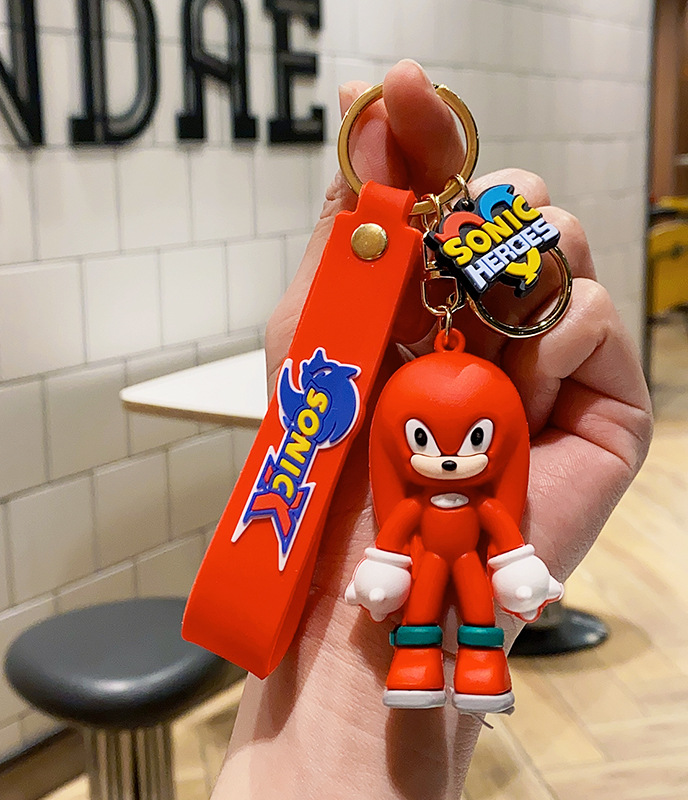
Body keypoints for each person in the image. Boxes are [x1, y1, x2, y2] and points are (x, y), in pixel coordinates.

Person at [211, 59, 653, 800]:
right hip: (421, 553)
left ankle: (477, 668)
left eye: (472, 442)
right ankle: (419, 666)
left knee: (475, 609)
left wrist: (515, 556)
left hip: (467, 557)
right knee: (427, 613)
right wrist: (381, 562)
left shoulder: (490, 485)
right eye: (425, 442)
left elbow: (499, 519)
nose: (448, 458)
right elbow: (396, 517)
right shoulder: (400, 479)